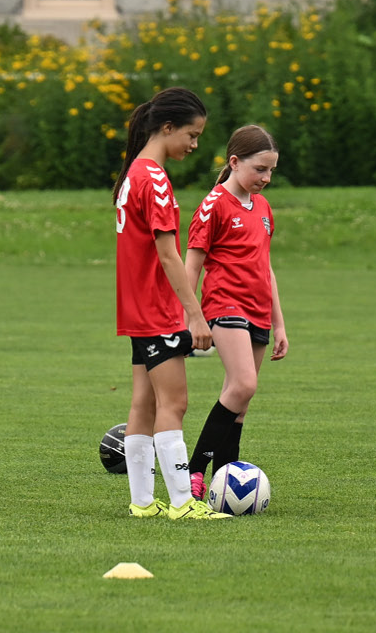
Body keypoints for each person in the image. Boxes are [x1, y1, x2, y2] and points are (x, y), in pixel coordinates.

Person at [112, 87, 224, 520]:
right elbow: (167, 253)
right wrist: (194, 313)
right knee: (174, 403)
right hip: (156, 309)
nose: (194, 145)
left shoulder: (132, 175)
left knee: (144, 403)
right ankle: (182, 503)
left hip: (135, 308)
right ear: (167, 127)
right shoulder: (154, 178)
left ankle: (143, 503)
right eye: (192, 135)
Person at [181, 124, 286, 494]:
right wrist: (189, 317)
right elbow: (191, 265)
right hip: (225, 303)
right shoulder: (214, 206)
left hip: (258, 310)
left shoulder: (263, 207)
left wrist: (280, 325)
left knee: (240, 400)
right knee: (243, 384)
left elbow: (265, 266)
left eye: (271, 170)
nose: (266, 178)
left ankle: (225, 481)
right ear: (234, 162)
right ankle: (194, 471)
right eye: (260, 169)